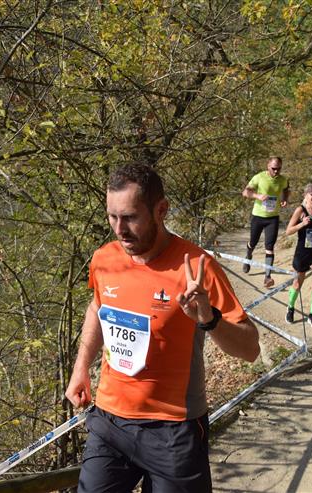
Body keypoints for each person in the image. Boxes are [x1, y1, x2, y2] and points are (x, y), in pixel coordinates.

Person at [65, 163, 260, 492]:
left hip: (173, 430)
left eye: (130, 217)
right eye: (112, 217)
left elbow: (250, 348)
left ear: (161, 210)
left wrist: (209, 318)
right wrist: (80, 368)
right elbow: (98, 307)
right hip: (110, 421)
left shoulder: (196, 267)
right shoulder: (104, 259)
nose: (119, 229)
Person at [242, 156, 290, 288]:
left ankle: (267, 277)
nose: (276, 171)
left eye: (279, 168)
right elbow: (245, 192)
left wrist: (284, 199)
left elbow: (286, 189)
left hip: (273, 218)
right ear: (268, 166)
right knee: (253, 242)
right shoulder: (259, 177)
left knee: (269, 247)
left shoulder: (283, 179)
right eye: (274, 168)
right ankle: (248, 256)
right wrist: (257, 196)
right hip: (258, 216)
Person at [284, 183, 312, 329]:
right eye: (311, 194)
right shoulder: (300, 210)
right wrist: (302, 224)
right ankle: (290, 307)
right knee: (297, 283)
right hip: (303, 252)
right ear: (305, 195)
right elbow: (288, 231)